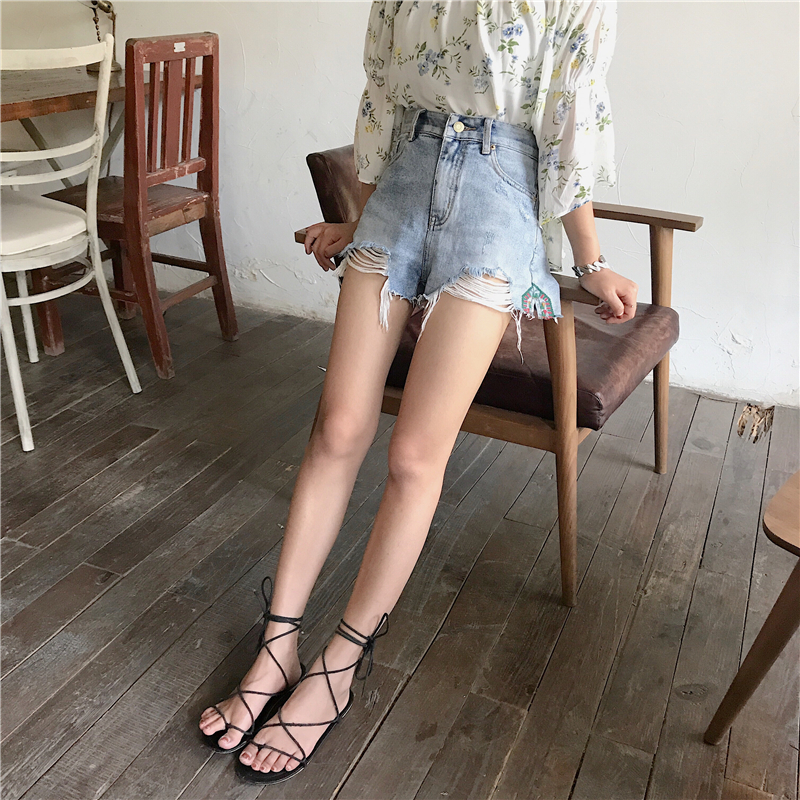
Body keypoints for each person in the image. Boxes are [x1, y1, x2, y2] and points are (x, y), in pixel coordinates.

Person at [199, 0, 638, 784]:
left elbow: (568, 113)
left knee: (413, 458)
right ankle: (278, 645)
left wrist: (590, 257)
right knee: (337, 429)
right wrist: (361, 215)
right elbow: (383, 89)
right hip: (404, 181)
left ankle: (337, 669)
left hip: (501, 196)